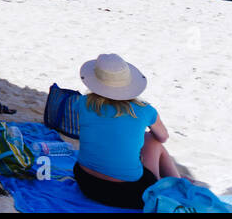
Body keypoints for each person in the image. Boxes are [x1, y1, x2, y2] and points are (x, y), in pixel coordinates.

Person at [69, 53, 180, 209]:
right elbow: (163, 137)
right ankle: (176, 183)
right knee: (152, 141)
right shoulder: (145, 111)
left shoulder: (83, 103)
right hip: (128, 194)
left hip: (86, 182)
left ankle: (174, 180)